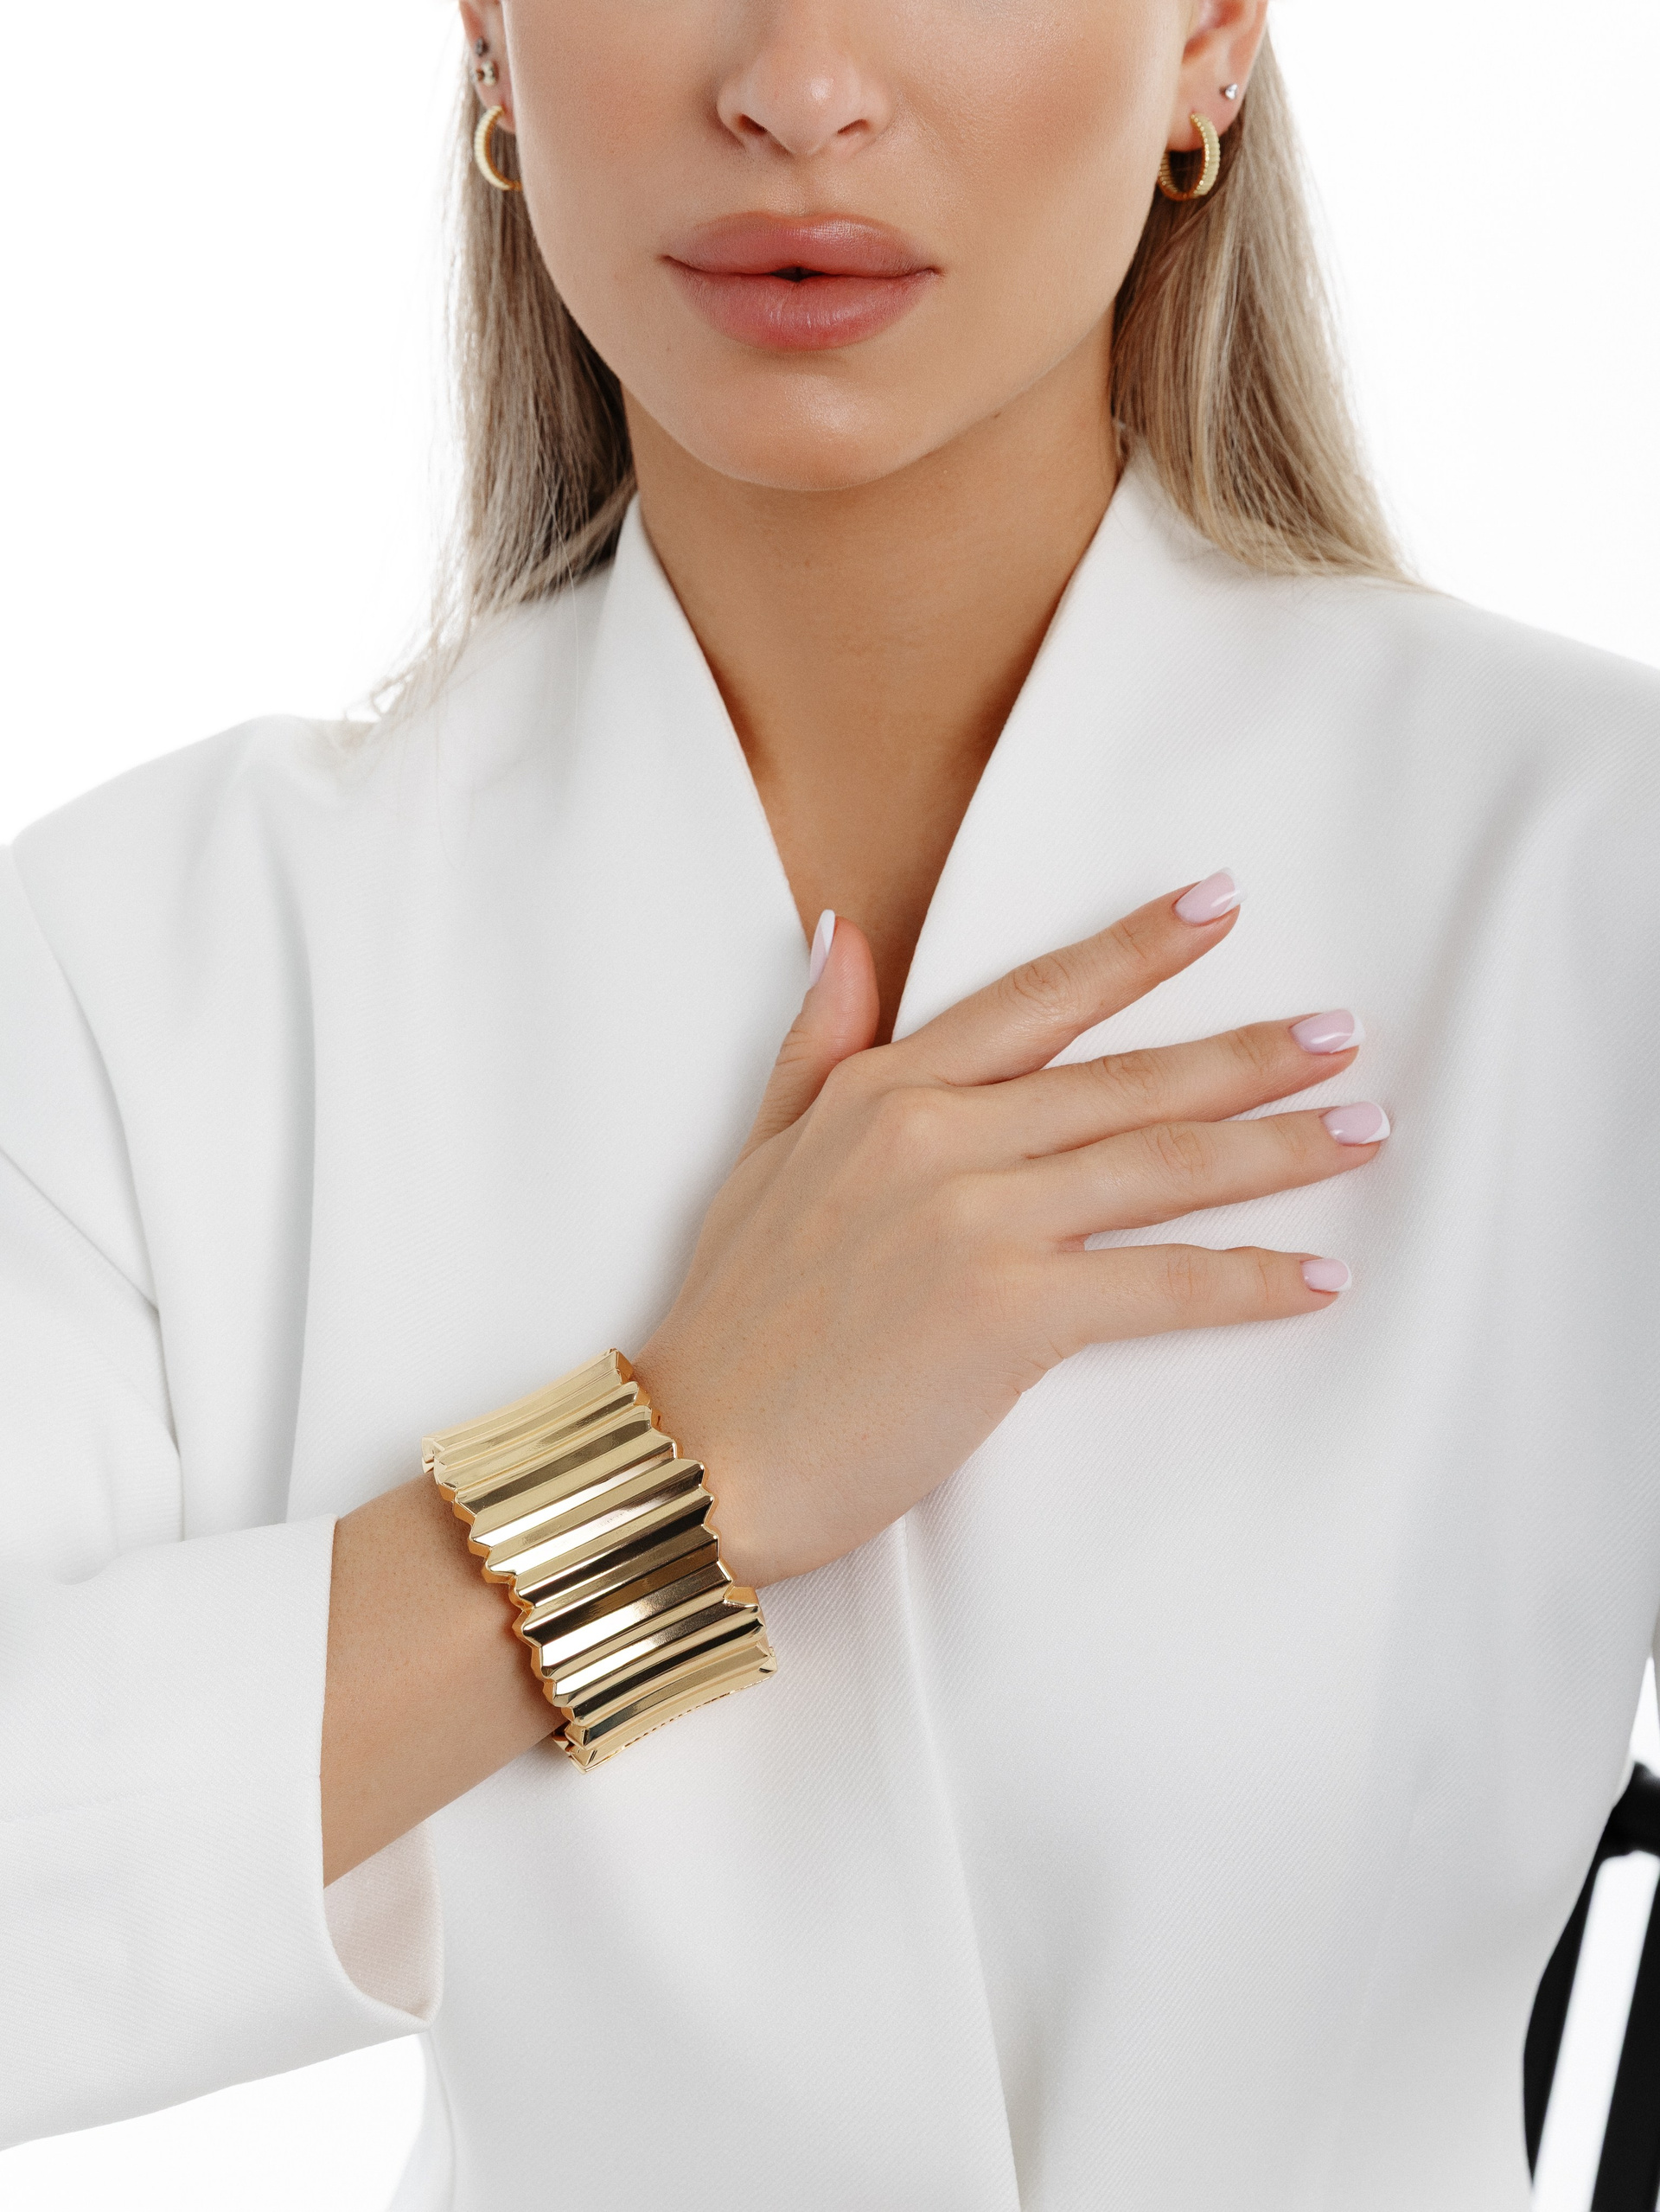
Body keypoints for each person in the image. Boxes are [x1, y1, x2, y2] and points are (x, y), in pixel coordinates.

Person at [3, 0, 1657, 2204]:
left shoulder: (1594, 877)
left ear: (1210, 41)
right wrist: (659, 1482)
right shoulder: (158, 957)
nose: (797, 85)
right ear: (488, 30)